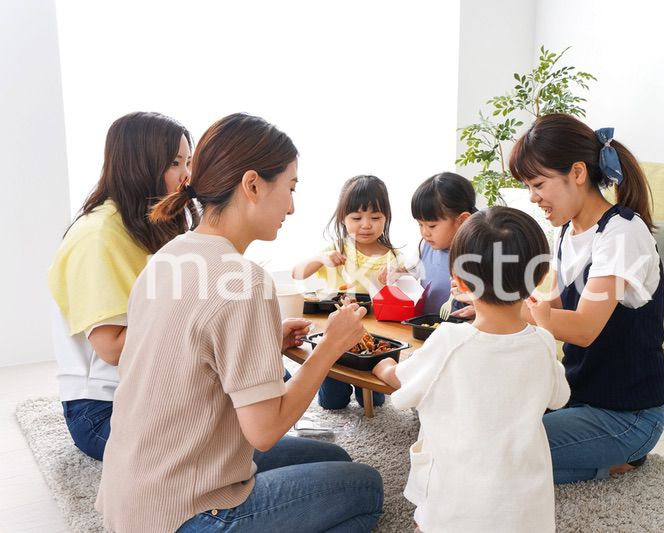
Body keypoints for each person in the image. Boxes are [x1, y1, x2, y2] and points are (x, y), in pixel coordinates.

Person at [95, 113, 384, 532]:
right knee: (366, 488)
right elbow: (264, 431)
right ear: (252, 185)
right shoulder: (243, 280)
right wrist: (330, 347)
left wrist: (265, 339)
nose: (291, 206)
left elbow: (190, 350)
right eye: (290, 187)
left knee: (333, 460)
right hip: (183, 514)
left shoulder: (170, 254)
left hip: (133, 497)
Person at [373, 207, 570, 532]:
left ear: (460, 280)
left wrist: (384, 368)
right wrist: (546, 330)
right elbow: (559, 397)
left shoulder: (449, 340)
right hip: (524, 509)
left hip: (455, 503)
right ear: (538, 278)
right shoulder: (542, 344)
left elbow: (403, 393)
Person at [508, 112, 664, 484]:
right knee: (494, 425)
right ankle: (593, 458)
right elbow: (564, 304)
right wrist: (501, 308)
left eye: (538, 184)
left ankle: (610, 461)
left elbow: (582, 328)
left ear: (577, 173)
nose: (533, 198)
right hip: (578, 397)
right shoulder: (569, 230)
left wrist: (510, 308)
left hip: (627, 416)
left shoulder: (622, 233)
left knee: (505, 451)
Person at [48, 111, 195, 461]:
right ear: (139, 163)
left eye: (188, 161)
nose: (186, 175)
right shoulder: (98, 235)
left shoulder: (145, 224)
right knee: (234, 449)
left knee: (263, 370)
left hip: (148, 390)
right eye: (175, 163)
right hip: (102, 411)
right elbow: (112, 349)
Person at [293, 174, 402, 410]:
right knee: (333, 403)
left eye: (375, 217)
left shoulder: (392, 256)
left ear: (386, 218)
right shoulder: (337, 250)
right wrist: (322, 259)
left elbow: (405, 294)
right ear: (343, 218)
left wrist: (397, 277)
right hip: (335, 337)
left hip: (372, 338)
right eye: (357, 217)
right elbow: (297, 273)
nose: (366, 224)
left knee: (373, 402)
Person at [407, 172, 476, 315]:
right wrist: (397, 274)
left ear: (462, 220)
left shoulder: (479, 253)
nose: (425, 232)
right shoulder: (425, 246)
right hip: (426, 330)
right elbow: (412, 275)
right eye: (420, 224)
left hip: (462, 332)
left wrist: (479, 305)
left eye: (432, 226)